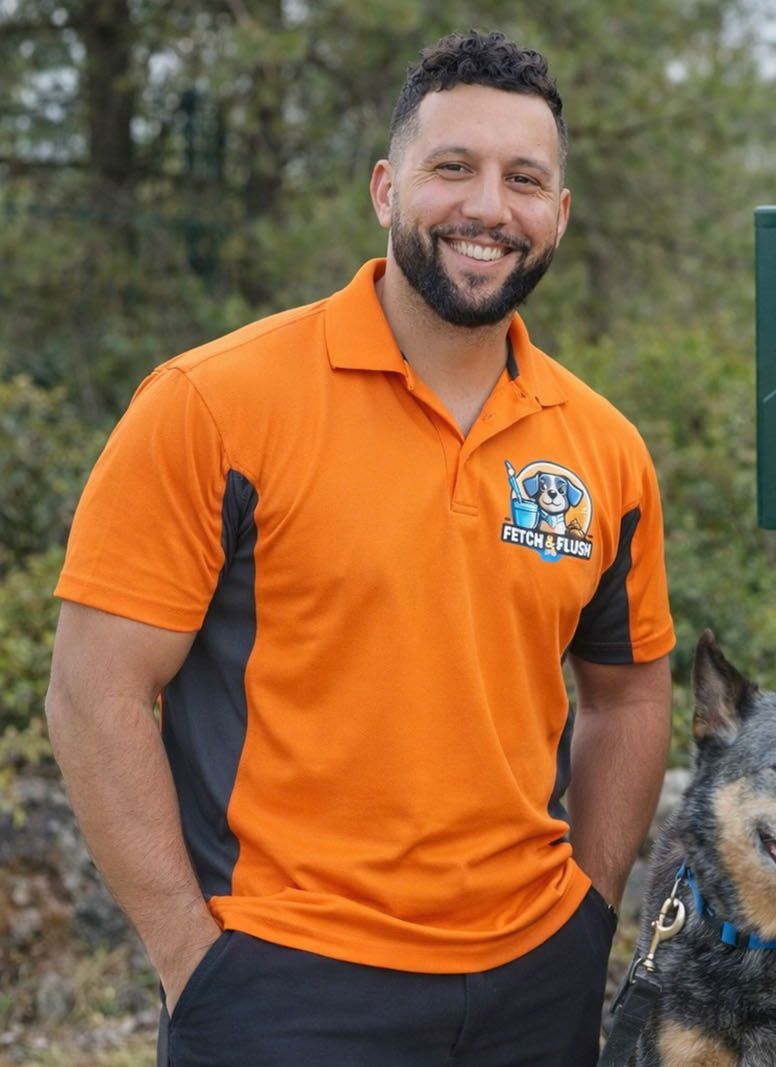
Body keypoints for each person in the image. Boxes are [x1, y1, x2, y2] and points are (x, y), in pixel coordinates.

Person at [45, 31, 674, 1067]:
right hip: (283, 986)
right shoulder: (214, 403)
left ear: (558, 215)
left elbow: (628, 696)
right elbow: (93, 692)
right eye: (452, 168)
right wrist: (191, 959)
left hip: (532, 988)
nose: (488, 208)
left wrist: (589, 915)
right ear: (386, 188)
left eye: (524, 179)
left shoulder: (603, 447)